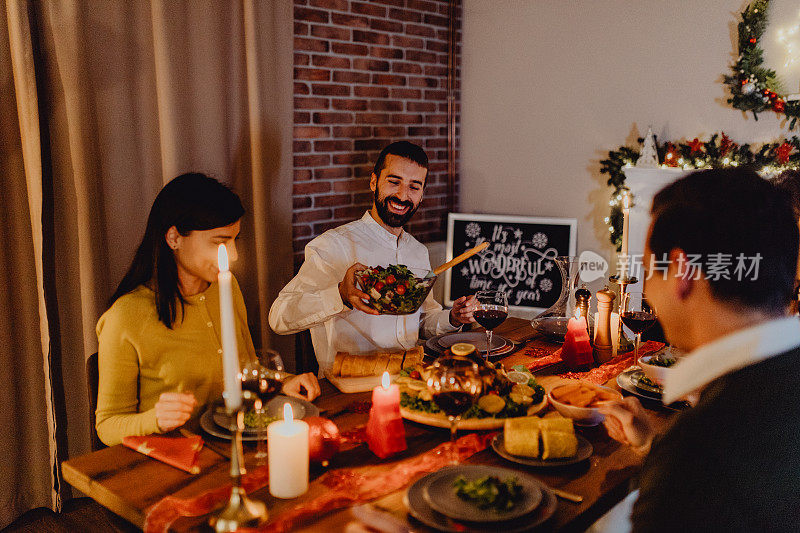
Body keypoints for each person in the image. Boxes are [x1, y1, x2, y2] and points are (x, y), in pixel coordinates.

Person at [598, 168, 800, 530]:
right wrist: (653, 446)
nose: (648, 292)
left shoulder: (700, 452)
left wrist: (674, 458)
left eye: (649, 270)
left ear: (682, 271)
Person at [96, 173, 320, 446]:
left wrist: (283, 382)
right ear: (174, 237)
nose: (234, 255)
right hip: (174, 460)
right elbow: (107, 426)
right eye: (219, 242)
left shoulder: (225, 287)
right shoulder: (125, 317)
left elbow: (247, 369)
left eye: (234, 240)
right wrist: (155, 419)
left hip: (233, 444)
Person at [269, 141, 477, 373]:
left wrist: (454, 318)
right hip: (348, 385)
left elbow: (419, 323)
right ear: (373, 182)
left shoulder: (418, 251)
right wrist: (340, 295)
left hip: (408, 377)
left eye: (414, 187)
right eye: (394, 181)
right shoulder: (333, 244)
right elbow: (279, 317)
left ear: (421, 195)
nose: (402, 195)